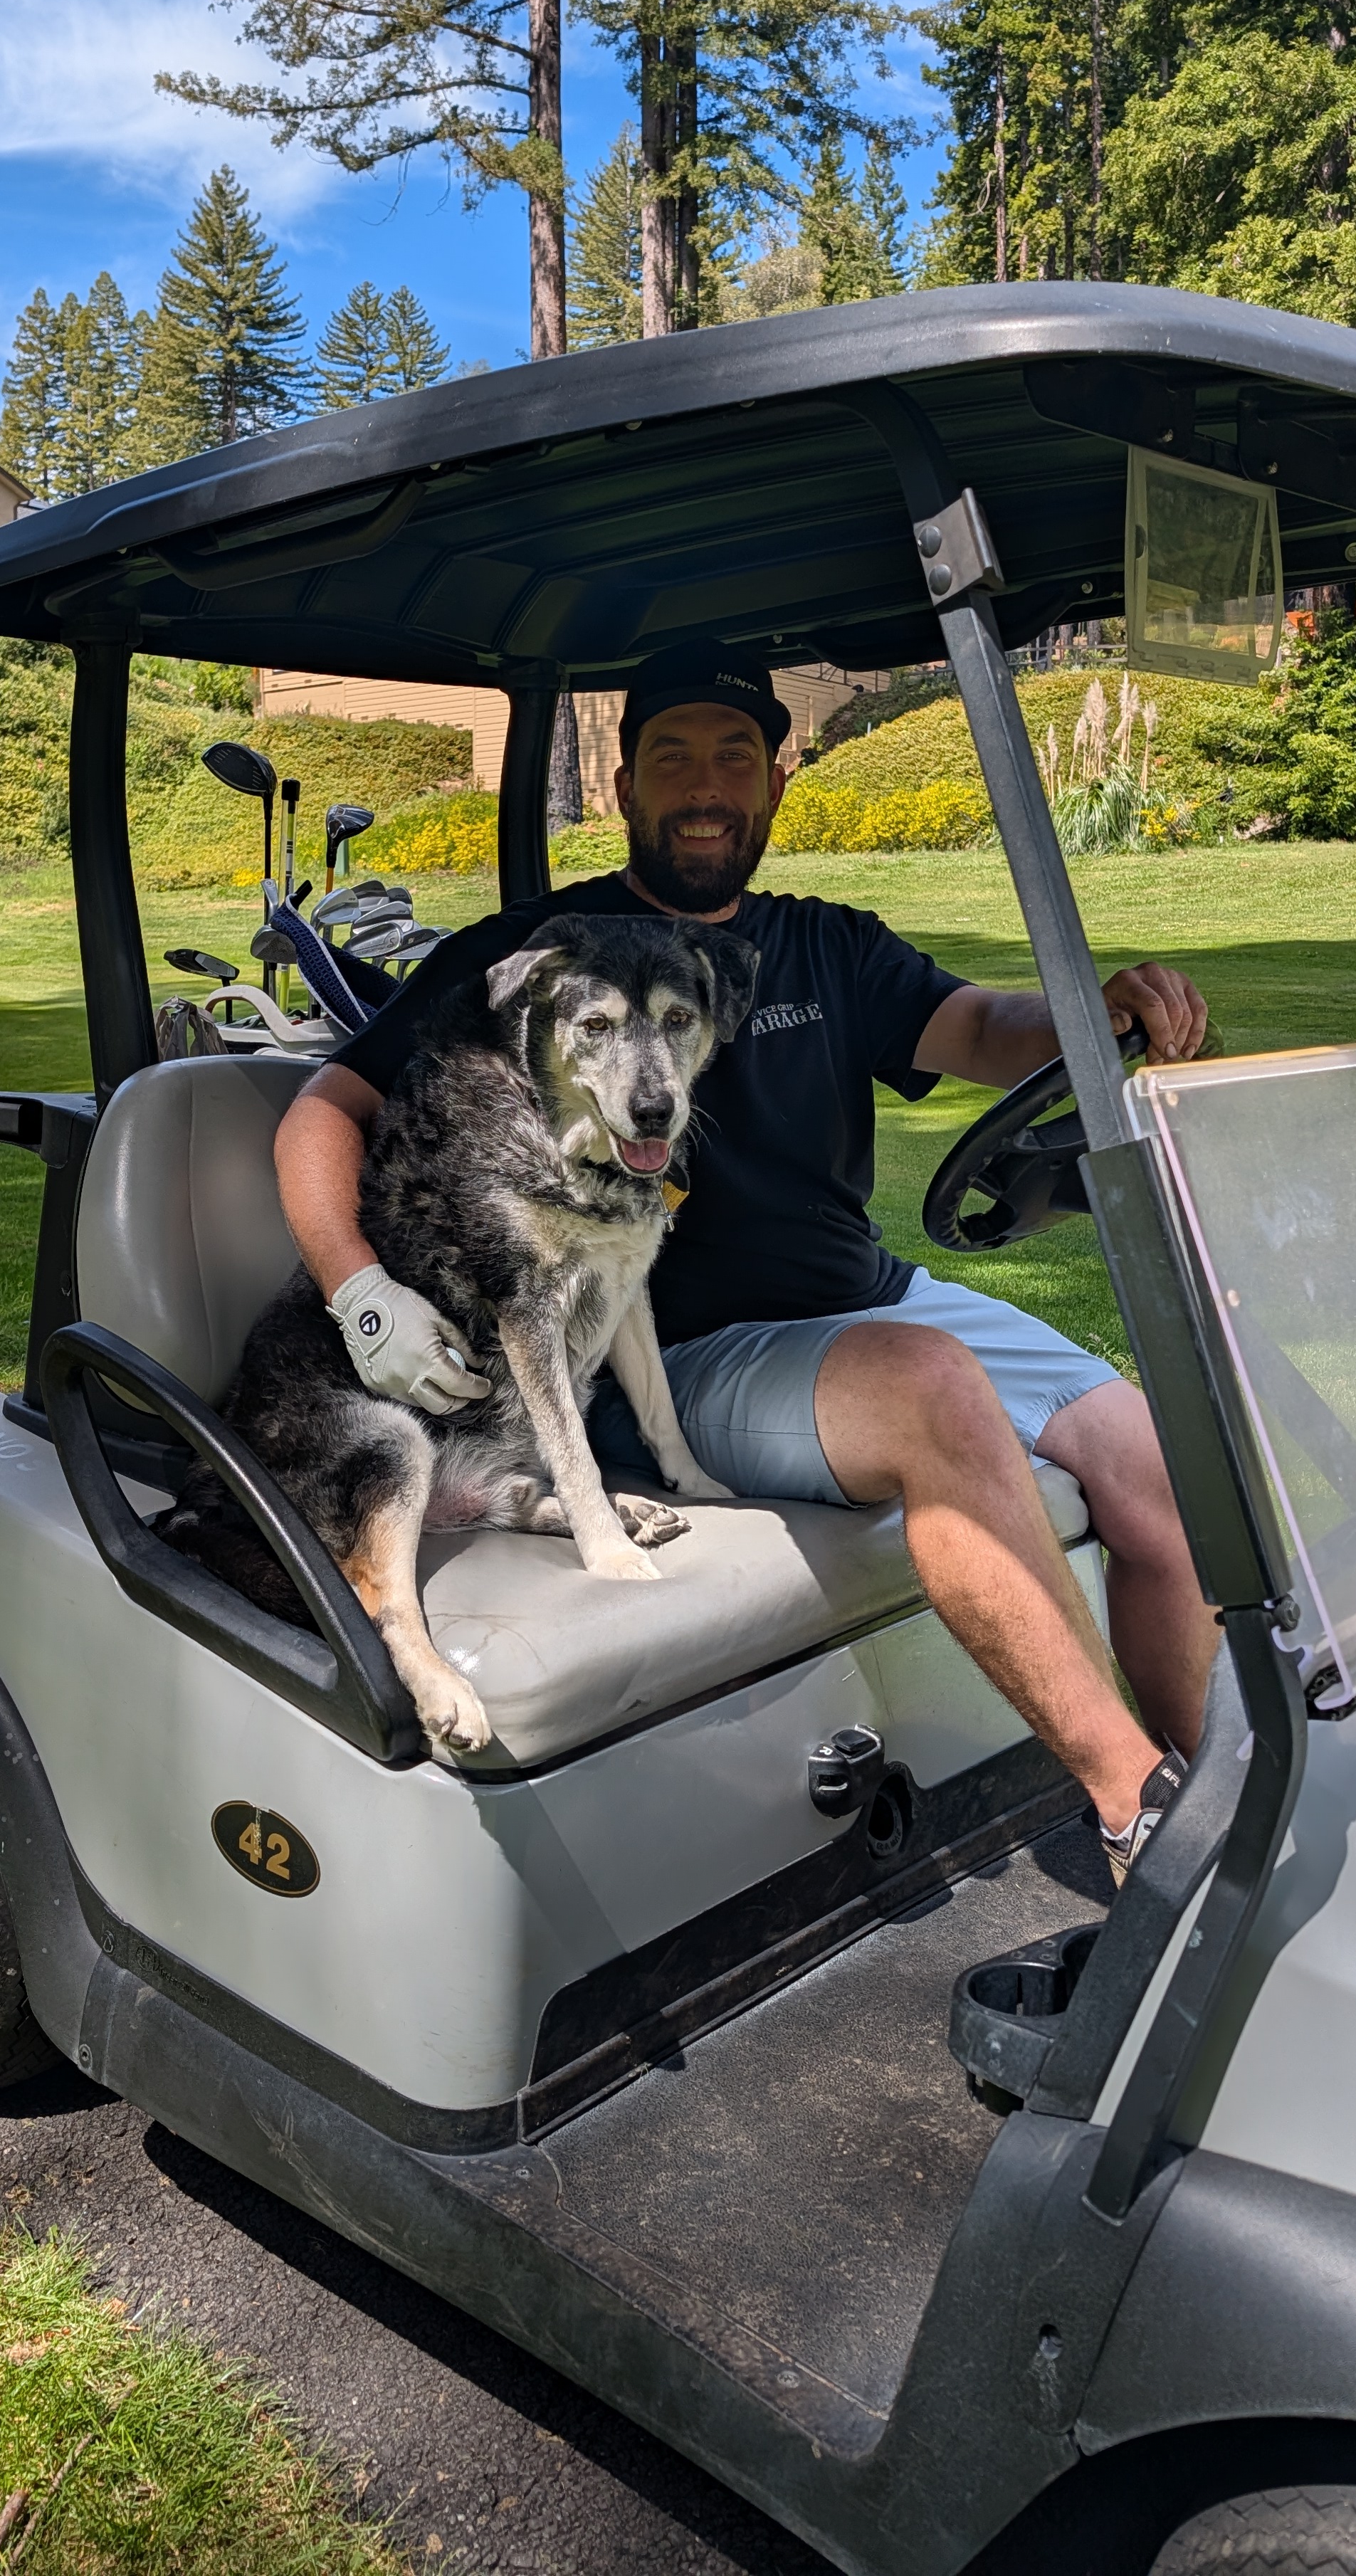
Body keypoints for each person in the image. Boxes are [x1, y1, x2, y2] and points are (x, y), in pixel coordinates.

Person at [273, 637, 1216, 1878]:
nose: (705, 786)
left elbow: (984, 1028)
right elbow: (321, 1113)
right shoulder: (539, 959)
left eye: (734, 757)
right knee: (932, 1387)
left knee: (1153, 1454)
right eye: (674, 758)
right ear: (625, 787)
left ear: (776, 783)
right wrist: (359, 1292)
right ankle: (1138, 1813)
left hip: (868, 1303)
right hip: (688, 1351)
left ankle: (1222, 1785)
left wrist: (1092, 1013)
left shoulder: (826, 945)